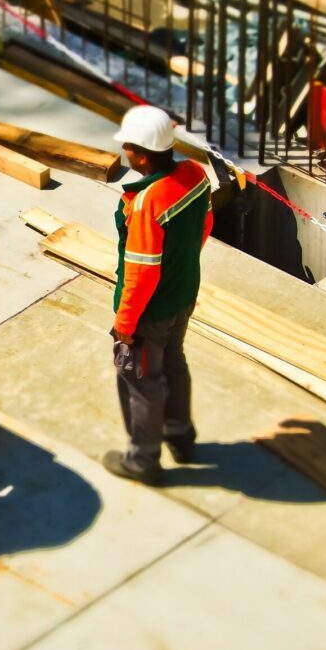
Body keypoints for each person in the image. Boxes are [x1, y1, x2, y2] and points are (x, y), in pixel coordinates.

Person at [102, 106, 213, 486]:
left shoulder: (148, 200)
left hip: (151, 311)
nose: (126, 154)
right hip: (184, 296)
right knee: (174, 363)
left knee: (138, 378)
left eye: (129, 148)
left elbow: (141, 272)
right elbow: (205, 224)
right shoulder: (196, 176)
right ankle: (181, 437)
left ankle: (143, 461)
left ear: (143, 154)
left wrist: (125, 324)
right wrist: (181, 270)